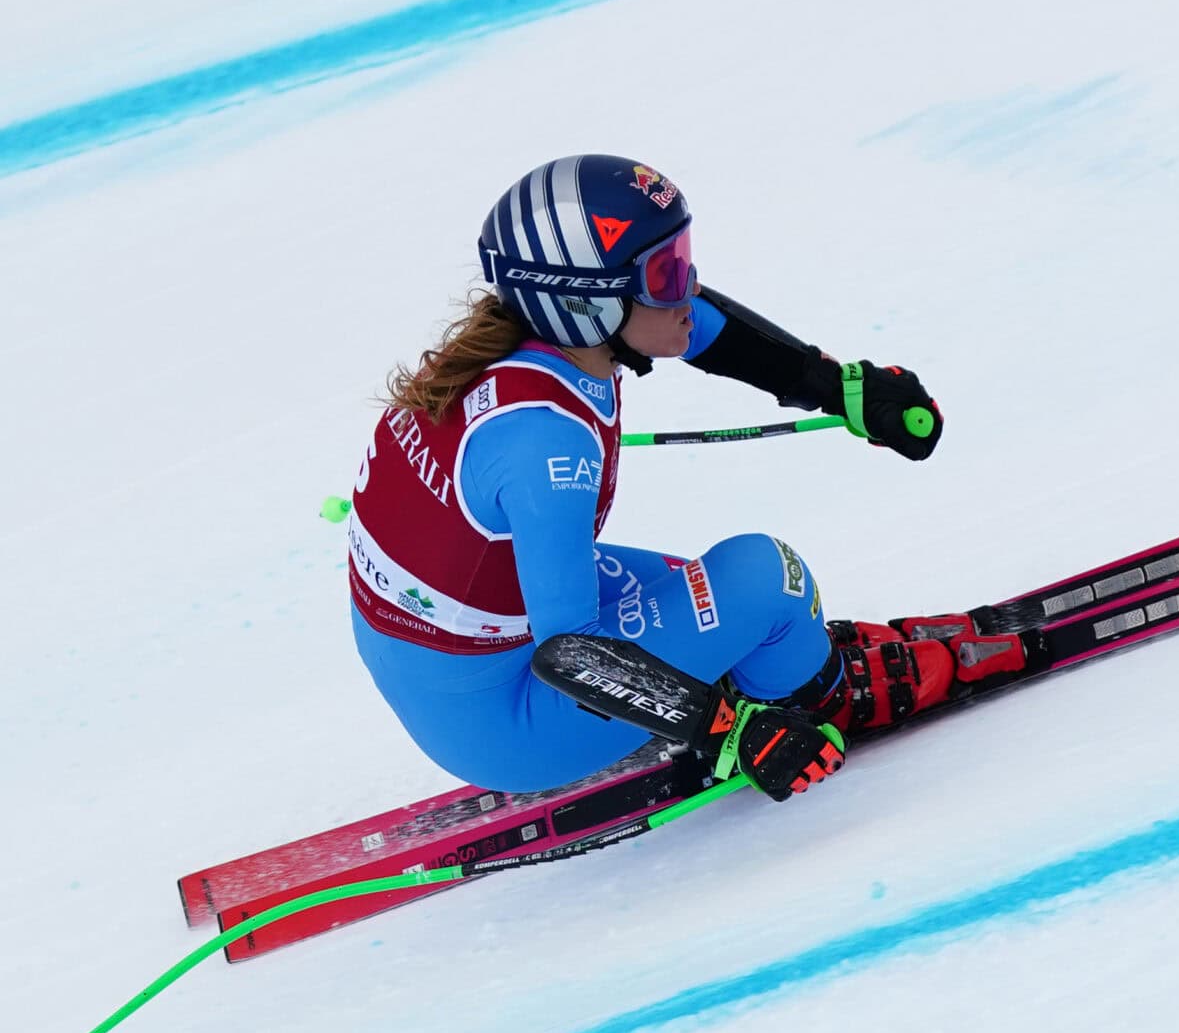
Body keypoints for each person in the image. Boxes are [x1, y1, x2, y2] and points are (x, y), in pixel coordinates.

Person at [348, 154, 1043, 802]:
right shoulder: (548, 443)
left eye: (679, 258)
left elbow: (706, 327)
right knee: (768, 578)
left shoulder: (538, 346)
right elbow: (573, 652)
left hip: (453, 657)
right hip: (504, 717)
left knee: (720, 602)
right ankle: (823, 695)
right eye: (664, 273)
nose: (686, 286)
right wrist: (731, 733)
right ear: (586, 302)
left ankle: (790, 661)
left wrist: (843, 388)